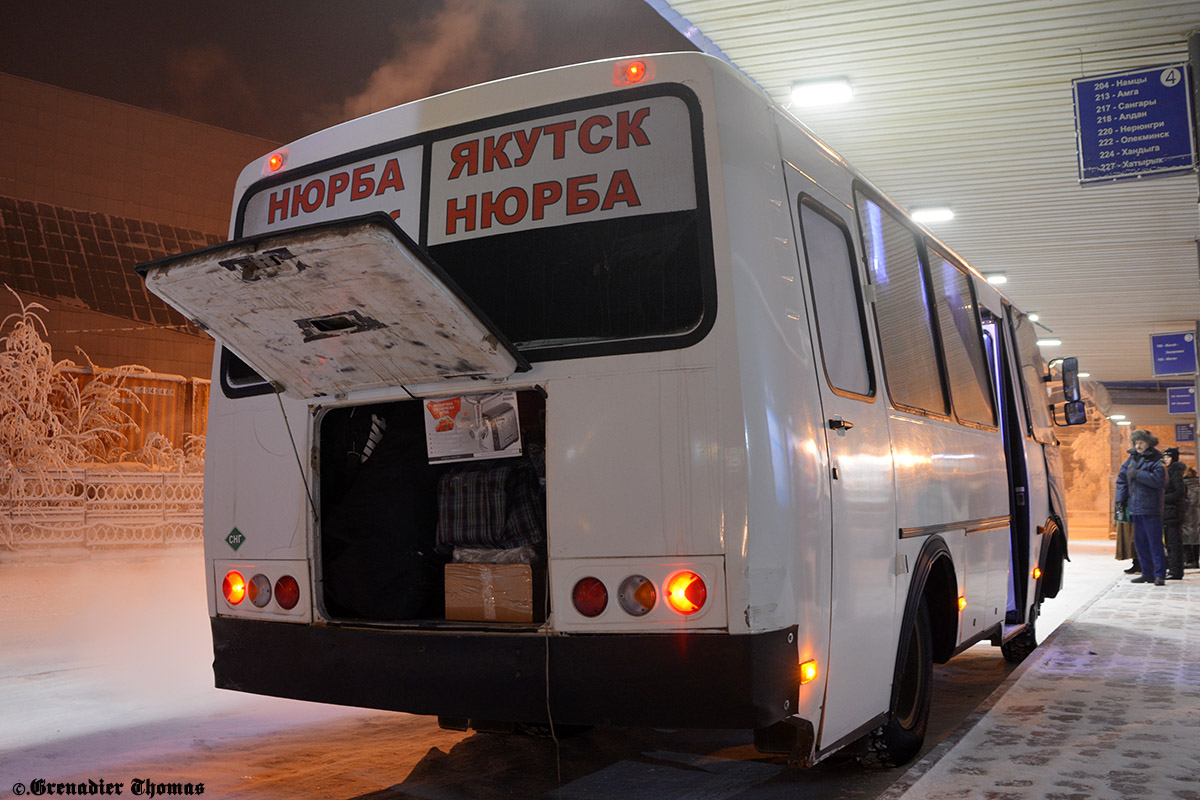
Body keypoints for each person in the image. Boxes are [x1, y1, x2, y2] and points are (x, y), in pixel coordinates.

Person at [1114, 429, 1167, 585]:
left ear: (1148, 443)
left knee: (1155, 542)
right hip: (1135, 508)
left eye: (1141, 442)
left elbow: (1159, 480)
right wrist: (1120, 500)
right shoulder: (1131, 460)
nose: (1138, 445)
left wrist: (1138, 475)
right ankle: (1147, 573)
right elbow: (1121, 481)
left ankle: (1159, 574)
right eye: (1136, 442)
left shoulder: (1157, 459)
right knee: (1140, 543)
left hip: (1151, 508)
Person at [1162, 447, 1188, 580]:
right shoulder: (1170, 472)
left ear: (1173, 458)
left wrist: (1163, 499)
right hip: (1170, 513)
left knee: (1173, 543)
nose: (1165, 459)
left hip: (1173, 513)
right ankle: (1174, 569)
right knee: (1171, 543)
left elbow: (1179, 493)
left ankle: (1175, 571)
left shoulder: (1175, 472)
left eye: (1167, 456)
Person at [1183, 465, 1199, 570]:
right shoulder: (1197, 485)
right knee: (1197, 537)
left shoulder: (1185, 486)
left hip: (1187, 514)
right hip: (1197, 515)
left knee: (1186, 536)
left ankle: (1189, 560)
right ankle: (1196, 560)